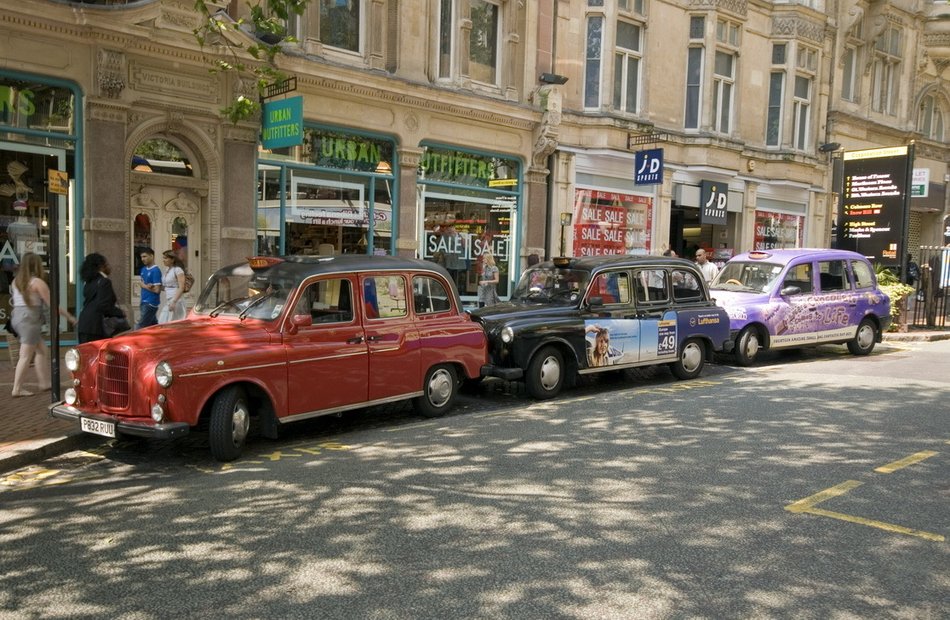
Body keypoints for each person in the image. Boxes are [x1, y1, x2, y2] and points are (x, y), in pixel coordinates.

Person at [10, 252, 76, 396]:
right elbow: (52, 305)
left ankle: (44, 382)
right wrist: (70, 317)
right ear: (37, 265)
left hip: (19, 318)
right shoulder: (37, 283)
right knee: (25, 356)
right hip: (30, 319)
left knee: (41, 350)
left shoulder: (16, 281)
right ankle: (17, 388)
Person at [77, 253, 126, 344]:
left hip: (84, 324)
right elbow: (104, 305)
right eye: (106, 264)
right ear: (101, 266)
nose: (109, 267)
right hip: (96, 326)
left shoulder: (89, 282)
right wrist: (120, 312)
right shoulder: (104, 282)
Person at [136, 248, 162, 329]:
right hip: (143, 301)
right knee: (153, 327)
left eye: (145, 256)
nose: (142, 259)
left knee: (140, 327)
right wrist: (145, 285)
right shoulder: (143, 269)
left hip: (151, 303)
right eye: (141, 257)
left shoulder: (156, 271)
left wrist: (144, 286)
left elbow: (157, 290)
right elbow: (142, 283)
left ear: (151, 256)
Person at [159, 250, 187, 323]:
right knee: (164, 322)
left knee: (171, 323)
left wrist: (174, 301)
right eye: (163, 258)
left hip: (176, 300)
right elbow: (166, 287)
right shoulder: (167, 270)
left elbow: (181, 287)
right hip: (169, 299)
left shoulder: (178, 270)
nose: (163, 260)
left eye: (165, 258)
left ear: (172, 259)